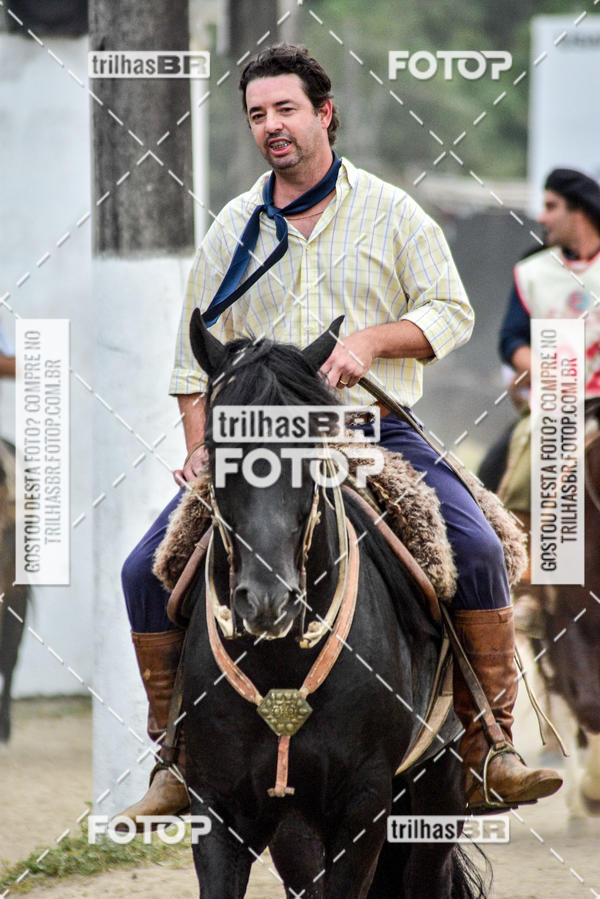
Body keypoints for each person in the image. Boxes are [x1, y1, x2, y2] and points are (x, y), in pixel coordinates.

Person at [118, 44, 561, 825]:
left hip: (376, 432)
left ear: (324, 112)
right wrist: (198, 446)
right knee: (143, 572)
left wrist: (371, 342)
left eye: (285, 109)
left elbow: (450, 312)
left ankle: (490, 747)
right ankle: (177, 754)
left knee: (482, 551)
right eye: (257, 114)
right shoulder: (235, 226)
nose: (271, 126)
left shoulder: (392, 211)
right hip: (259, 441)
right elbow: (190, 367)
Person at [498, 168, 600, 545]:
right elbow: (510, 340)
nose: (541, 218)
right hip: (559, 405)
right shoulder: (534, 272)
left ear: (580, 211)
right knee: (514, 461)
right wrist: (543, 372)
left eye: (551, 206)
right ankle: (525, 574)